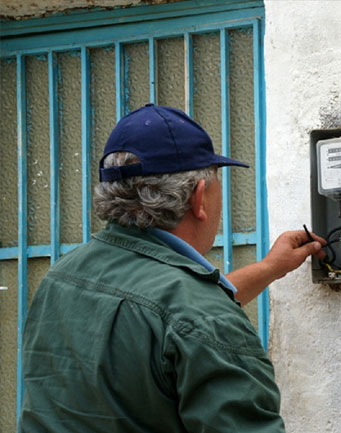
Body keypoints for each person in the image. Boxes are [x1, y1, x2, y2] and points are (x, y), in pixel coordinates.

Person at [18, 104, 325, 432]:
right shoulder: (201, 315)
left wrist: (269, 268)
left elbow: (169, 314)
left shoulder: (62, 277)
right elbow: (186, 318)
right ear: (199, 197)